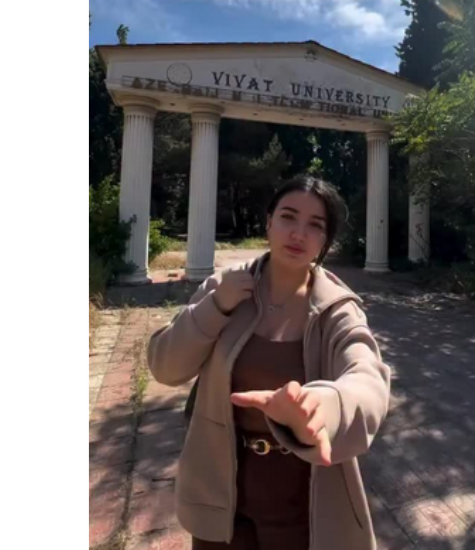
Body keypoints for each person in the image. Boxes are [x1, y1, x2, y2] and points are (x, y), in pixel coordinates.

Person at [147, 175, 391, 550]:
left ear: (325, 240)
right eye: (288, 217)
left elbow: (368, 379)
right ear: (269, 223)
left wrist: (322, 407)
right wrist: (216, 306)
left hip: (305, 499)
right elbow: (166, 367)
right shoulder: (225, 287)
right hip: (220, 492)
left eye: (315, 225)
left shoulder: (337, 310)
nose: (298, 233)